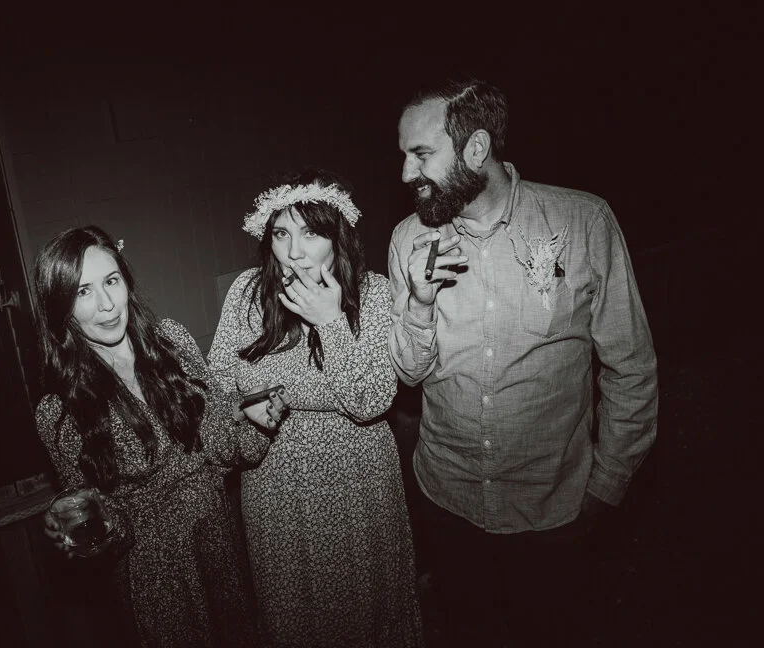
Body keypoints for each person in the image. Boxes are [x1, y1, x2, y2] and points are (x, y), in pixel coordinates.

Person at [389, 79, 659, 647]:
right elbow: (409, 374)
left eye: (421, 154)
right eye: (405, 156)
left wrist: (605, 487)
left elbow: (631, 368)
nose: (407, 173)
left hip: (554, 510)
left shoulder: (583, 222)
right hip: (449, 502)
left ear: (476, 148)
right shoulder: (408, 239)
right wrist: (418, 302)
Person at [32, 225, 289, 647]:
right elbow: (101, 518)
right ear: (62, 306)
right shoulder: (58, 411)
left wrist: (256, 423)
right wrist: (86, 532)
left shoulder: (172, 342)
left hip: (218, 540)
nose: (106, 304)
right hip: (155, 573)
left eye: (111, 281)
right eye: (83, 291)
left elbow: (220, 446)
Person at [207, 169, 423, 647]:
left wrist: (330, 323)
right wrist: (245, 407)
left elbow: (371, 400)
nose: (294, 251)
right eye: (281, 234)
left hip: (356, 485)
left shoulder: (372, 292)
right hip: (274, 489)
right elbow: (216, 385)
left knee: (365, 612)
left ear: (337, 238)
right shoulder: (247, 293)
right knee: (294, 613)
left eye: (310, 234)